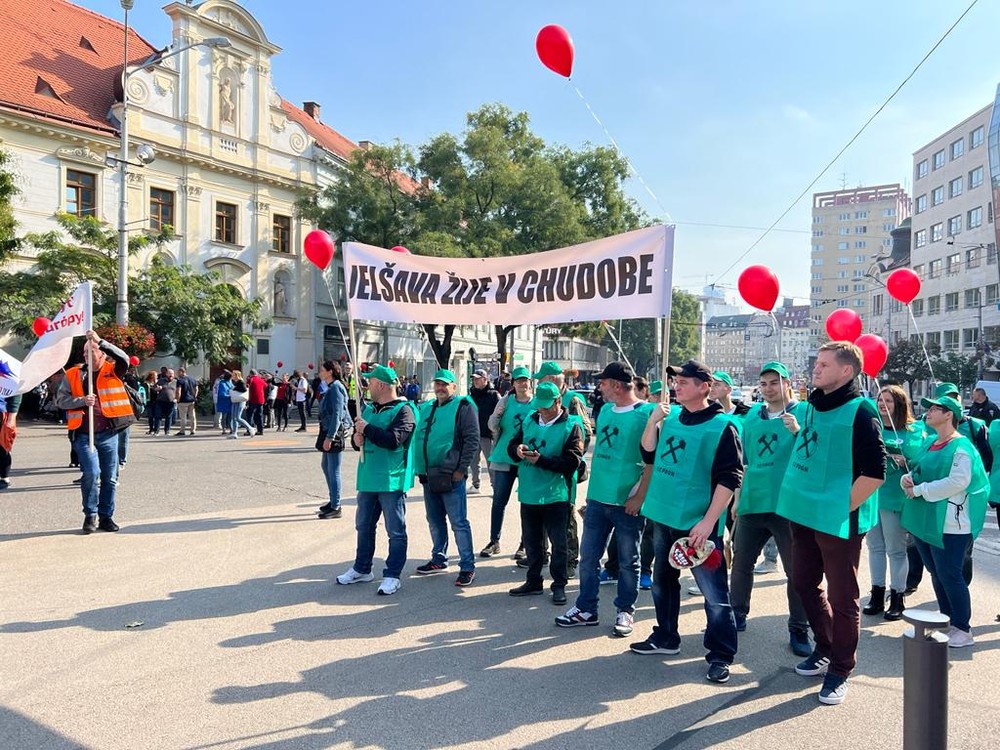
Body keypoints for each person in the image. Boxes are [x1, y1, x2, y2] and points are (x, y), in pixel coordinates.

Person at [776, 342, 885, 705]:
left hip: (839, 518)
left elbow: (875, 473)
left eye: (824, 364)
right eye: (816, 363)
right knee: (803, 581)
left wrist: (840, 509)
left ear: (846, 371)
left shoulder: (862, 410)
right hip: (803, 512)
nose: (815, 369)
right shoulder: (808, 408)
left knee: (843, 596)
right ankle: (824, 646)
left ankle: (840, 668)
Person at [628, 359, 742, 686]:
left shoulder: (724, 426)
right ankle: (666, 636)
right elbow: (648, 453)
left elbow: (729, 478)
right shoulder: (672, 417)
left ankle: (720, 654)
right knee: (663, 582)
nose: (677, 386)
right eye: (676, 381)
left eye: (685, 382)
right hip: (663, 516)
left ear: (705, 386)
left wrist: (709, 521)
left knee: (714, 594)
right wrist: (652, 420)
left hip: (697, 525)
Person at [556, 362, 653, 636]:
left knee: (628, 561)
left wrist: (640, 497)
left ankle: (625, 610)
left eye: (604, 382)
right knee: (588, 559)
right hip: (599, 498)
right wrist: (590, 497)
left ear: (618, 385)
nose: (600, 386)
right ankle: (586, 608)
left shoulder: (646, 413)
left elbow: (651, 463)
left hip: (627, 502)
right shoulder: (607, 410)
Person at [729, 361, 811, 657]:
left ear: (787, 383)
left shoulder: (803, 413)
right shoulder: (751, 416)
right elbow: (744, 462)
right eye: (763, 384)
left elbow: (815, 455)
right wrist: (737, 500)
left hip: (787, 505)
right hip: (753, 501)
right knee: (741, 564)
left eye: (774, 382)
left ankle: (799, 628)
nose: (768, 389)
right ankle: (736, 614)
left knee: (797, 571)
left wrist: (798, 432)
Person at [901, 395, 990, 648]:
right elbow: (916, 470)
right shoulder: (930, 442)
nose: (927, 412)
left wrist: (919, 490)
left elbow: (957, 482)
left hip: (951, 524)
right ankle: (946, 620)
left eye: (934, 409)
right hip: (925, 520)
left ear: (948, 414)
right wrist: (906, 480)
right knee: (937, 573)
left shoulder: (962, 447)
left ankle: (962, 627)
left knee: (950, 574)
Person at [336, 365, 418, 595]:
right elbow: (359, 440)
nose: (367, 385)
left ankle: (392, 575)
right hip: (368, 478)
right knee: (363, 526)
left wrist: (368, 429)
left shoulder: (405, 410)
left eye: (370, 382)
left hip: (391, 480)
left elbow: (394, 440)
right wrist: (356, 437)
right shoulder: (369, 409)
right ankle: (362, 568)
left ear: (381, 385)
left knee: (395, 530)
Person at [507, 381, 585, 603]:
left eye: (547, 406)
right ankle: (533, 581)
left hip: (555, 494)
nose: (542, 410)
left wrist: (541, 461)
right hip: (529, 492)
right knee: (532, 541)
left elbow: (571, 462)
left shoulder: (572, 425)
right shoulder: (529, 420)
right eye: (539, 406)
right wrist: (517, 450)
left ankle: (559, 584)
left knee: (559, 542)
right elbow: (511, 445)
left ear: (558, 401)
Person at [54, 329, 137, 533]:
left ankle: (106, 516)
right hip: (84, 435)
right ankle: (90, 515)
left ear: (101, 353)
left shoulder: (114, 369)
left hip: (109, 433)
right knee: (91, 473)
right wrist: (82, 401)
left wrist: (100, 341)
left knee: (110, 478)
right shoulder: (74, 374)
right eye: (84, 353)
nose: (86, 356)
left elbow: (124, 358)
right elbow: (60, 400)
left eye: (91, 351)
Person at [862, 386, 924, 621]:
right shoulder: (871, 426)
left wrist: (903, 458)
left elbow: (917, 460)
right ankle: (877, 593)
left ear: (899, 404)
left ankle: (897, 596)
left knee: (896, 550)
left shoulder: (912, 430)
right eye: (880, 399)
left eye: (888, 400)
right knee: (874, 547)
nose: (882, 404)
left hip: (895, 498)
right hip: (871, 494)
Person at [413, 369, 480, 586]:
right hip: (428, 475)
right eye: (437, 384)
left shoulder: (463, 406)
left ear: (453, 386)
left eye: (445, 384)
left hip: (451, 475)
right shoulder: (429, 407)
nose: (440, 388)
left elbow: (472, 440)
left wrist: (461, 469)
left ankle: (467, 566)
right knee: (434, 520)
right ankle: (439, 558)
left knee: (458, 522)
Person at [529, 361, 593, 576]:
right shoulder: (540, 399)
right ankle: (543, 555)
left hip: (564, 469)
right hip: (539, 468)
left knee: (565, 517)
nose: (538, 381)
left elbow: (585, 430)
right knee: (540, 516)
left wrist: (568, 457)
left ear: (552, 379)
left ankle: (569, 561)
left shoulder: (572, 400)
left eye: (542, 378)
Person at [479, 366, 533, 558]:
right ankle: (494, 541)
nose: (522, 384)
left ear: (530, 382)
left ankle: (524, 544)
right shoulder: (505, 401)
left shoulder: (535, 403)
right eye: (519, 380)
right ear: (514, 383)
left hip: (526, 459)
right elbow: (492, 426)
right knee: (499, 501)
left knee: (527, 503)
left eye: (525, 380)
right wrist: (497, 414)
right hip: (503, 455)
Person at [316, 361, 350, 520]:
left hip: (333, 432)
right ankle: (333, 501)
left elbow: (337, 413)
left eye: (322, 370)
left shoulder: (336, 387)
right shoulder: (331, 387)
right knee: (326, 465)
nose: (320, 372)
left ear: (330, 372)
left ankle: (336, 506)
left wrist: (330, 437)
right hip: (327, 429)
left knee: (333, 469)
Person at [469, 368, 499, 493]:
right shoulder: (472, 395)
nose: (475, 381)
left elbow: (499, 414)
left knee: (491, 462)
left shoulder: (494, 395)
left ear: (485, 379)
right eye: (474, 379)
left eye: (478, 378)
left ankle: (495, 487)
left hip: (488, 434)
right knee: (473, 462)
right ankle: (476, 485)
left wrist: (495, 430)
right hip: (474, 433)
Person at [0, 391, 20, 490]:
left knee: (3, 446)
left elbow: (17, 393)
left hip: (3, 412)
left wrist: (11, 417)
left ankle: (4, 478)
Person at [228, 370, 254, 438]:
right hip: (235, 400)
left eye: (233, 375)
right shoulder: (235, 382)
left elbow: (244, 389)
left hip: (240, 401)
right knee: (233, 417)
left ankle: (250, 428)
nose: (232, 376)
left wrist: (235, 389)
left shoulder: (240, 381)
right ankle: (234, 433)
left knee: (238, 417)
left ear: (236, 375)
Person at [175, 366, 199, 436]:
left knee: (183, 417)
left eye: (178, 372)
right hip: (191, 400)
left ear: (181, 372)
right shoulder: (192, 379)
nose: (177, 374)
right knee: (192, 416)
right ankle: (193, 430)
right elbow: (196, 389)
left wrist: (178, 399)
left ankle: (182, 431)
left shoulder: (180, 380)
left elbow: (178, 391)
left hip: (183, 400)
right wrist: (194, 396)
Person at [152, 368, 177, 435]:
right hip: (160, 401)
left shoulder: (175, 382)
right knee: (158, 416)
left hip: (171, 402)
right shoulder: (161, 381)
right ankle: (156, 431)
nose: (171, 375)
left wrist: (176, 399)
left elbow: (179, 391)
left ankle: (167, 431)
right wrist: (157, 389)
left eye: (172, 374)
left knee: (169, 417)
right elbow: (154, 389)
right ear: (166, 374)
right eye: (169, 373)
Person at [246, 369, 266, 435]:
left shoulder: (250, 379)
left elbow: (246, 388)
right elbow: (266, 386)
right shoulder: (260, 379)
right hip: (261, 400)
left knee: (250, 415)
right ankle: (260, 430)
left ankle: (250, 430)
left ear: (250, 374)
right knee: (259, 415)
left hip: (253, 399)